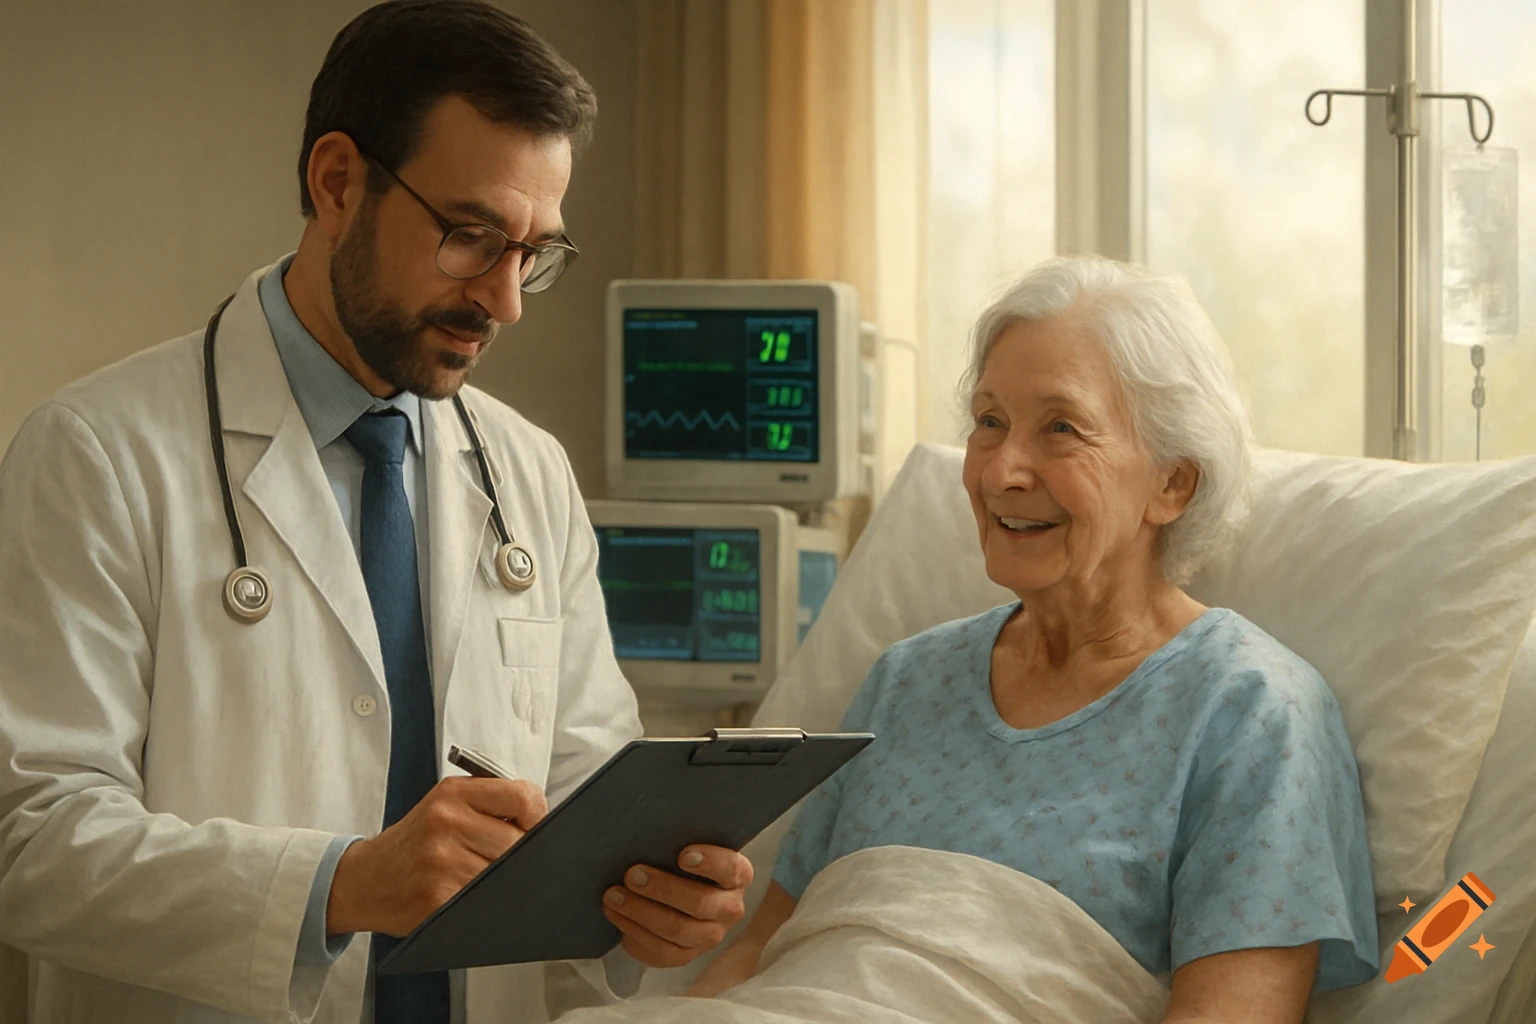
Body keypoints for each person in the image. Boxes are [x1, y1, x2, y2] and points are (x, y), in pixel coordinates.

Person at [0, 3, 750, 1022]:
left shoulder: (527, 472)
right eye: (471, 236)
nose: (507, 299)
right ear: (338, 182)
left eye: (534, 252)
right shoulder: (97, 455)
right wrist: (341, 885)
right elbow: (32, 837)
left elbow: (581, 801)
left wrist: (647, 904)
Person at [686, 257, 1380, 1022]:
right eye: (990, 422)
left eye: (1060, 429)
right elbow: (764, 954)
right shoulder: (905, 681)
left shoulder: (1252, 710)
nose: (1002, 471)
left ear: (1172, 484)